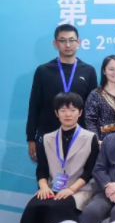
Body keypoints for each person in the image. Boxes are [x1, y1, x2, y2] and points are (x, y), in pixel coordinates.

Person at [16, 92, 98, 223]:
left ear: (80, 112)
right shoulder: (46, 138)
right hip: (52, 188)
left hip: (79, 190)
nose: (67, 114)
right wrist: (44, 186)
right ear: (56, 113)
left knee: (54, 210)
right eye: (63, 110)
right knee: (33, 209)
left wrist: (71, 189)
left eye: (72, 110)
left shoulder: (90, 138)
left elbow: (90, 172)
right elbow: (42, 169)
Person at [27, 24, 97, 163]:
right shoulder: (43, 71)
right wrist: (31, 138)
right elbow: (34, 105)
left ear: (78, 42)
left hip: (79, 137)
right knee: (46, 174)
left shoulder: (88, 71)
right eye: (62, 40)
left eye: (72, 40)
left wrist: (93, 137)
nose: (67, 45)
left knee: (79, 175)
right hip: (47, 134)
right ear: (55, 43)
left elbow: (92, 109)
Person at [85, 55, 115, 142]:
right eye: (111, 69)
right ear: (104, 71)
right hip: (104, 143)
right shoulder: (95, 95)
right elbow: (90, 121)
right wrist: (97, 141)